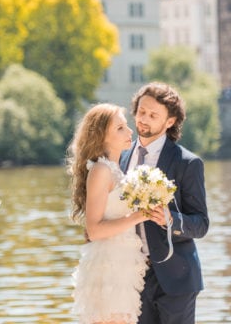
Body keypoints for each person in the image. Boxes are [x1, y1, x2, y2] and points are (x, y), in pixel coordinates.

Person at [120, 82, 210, 324]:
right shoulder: (120, 157)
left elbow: (201, 224)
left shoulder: (187, 163)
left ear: (170, 121)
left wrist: (171, 220)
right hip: (132, 277)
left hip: (177, 278)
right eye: (141, 112)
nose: (143, 119)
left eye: (152, 115)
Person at [67, 103, 149, 324]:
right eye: (120, 128)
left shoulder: (115, 169)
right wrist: (138, 216)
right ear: (102, 136)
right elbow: (93, 230)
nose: (130, 131)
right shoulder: (101, 171)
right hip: (108, 265)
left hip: (122, 262)